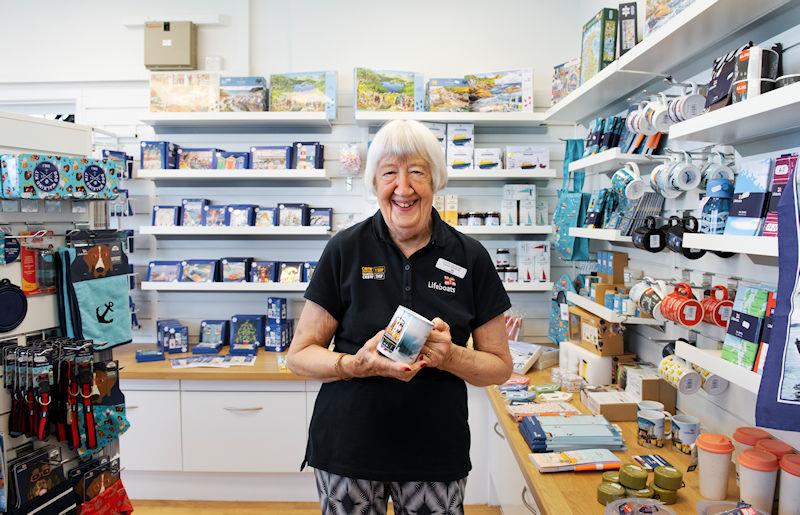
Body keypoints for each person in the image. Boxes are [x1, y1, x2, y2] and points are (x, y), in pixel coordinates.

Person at [287, 119, 513, 515]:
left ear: (436, 180)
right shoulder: (344, 249)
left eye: (417, 172)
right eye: (390, 172)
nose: (403, 188)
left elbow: (498, 368)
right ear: (375, 182)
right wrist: (356, 364)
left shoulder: (470, 256)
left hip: (434, 454)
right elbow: (300, 355)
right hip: (348, 448)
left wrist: (452, 356)